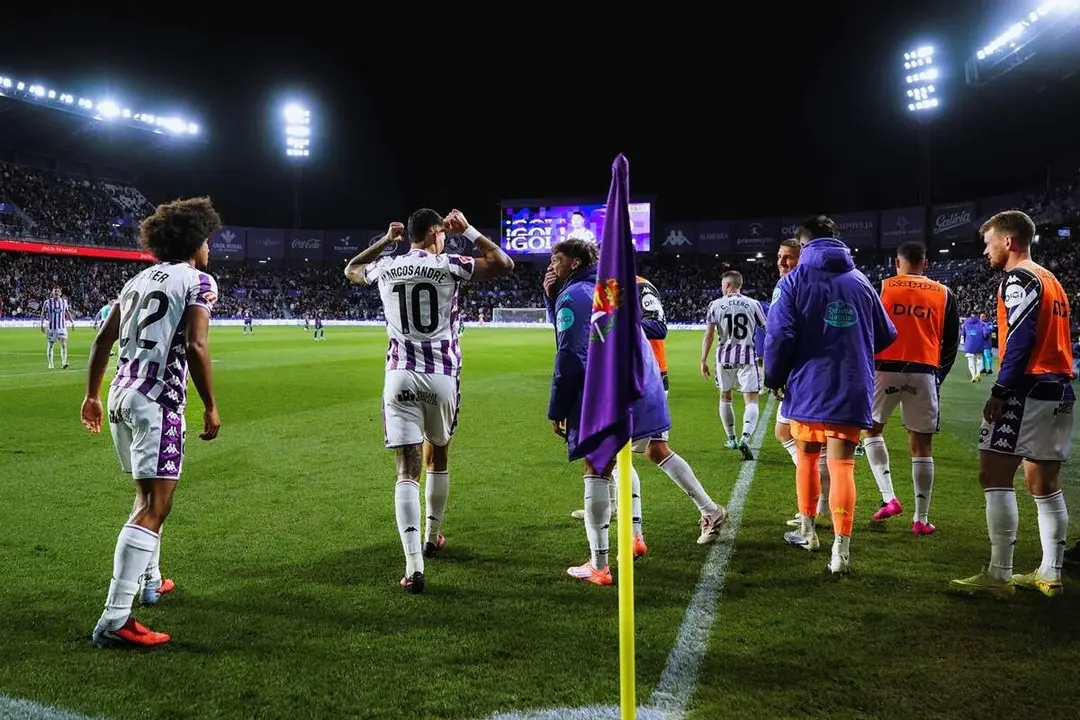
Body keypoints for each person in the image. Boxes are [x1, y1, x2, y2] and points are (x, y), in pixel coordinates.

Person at [344, 208, 514, 594]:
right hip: (441, 376)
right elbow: (503, 264)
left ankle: (413, 566)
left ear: (409, 236)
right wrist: (469, 228)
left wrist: (387, 241)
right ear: (436, 233)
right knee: (439, 452)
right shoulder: (449, 264)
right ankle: (432, 534)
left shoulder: (387, 265)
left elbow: (351, 269)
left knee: (406, 467)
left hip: (399, 375)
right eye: (444, 234)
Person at [81, 197, 223, 648]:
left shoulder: (136, 280)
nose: (210, 249)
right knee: (154, 507)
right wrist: (210, 405)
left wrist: (90, 395)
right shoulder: (199, 281)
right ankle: (115, 619)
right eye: (208, 241)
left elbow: (102, 339)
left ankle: (150, 580)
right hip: (158, 400)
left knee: (145, 496)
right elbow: (197, 346)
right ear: (195, 242)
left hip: (122, 395)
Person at [545, 239, 727, 585]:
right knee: (632, 457)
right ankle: (637, 535)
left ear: (575, 262)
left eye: (557, 259)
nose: (551, 265)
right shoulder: (612, 289)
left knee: (603, 463)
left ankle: (601, 562)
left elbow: (573, 349)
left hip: (623, 383)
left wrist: (559, 406)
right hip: (643, 381)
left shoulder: (627, 287)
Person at [765, 216, 897, 575]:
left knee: (808, 457)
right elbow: (887, 334)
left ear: (804, 245)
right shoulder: (861, 281)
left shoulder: (794, 281)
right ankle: (841, 553)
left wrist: (774, 377)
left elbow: (779, 336)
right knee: (842, 466)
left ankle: (808, 533)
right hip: (852, 385)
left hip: (808, 385)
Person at [952, 211, 1074, 598]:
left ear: (1008, 242)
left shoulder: (1018, 279)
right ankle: (1050, 572)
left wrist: (1002, 390)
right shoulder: (1050, 279)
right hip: (1059, 390)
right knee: (1044, 484)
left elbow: (1021, 337)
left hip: (1027, 389)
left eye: (988, 243)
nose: (985, 251)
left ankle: (999, 574)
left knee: (994, 474)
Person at [861, 242, 960, 534]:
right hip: (924, 372)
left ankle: (889, 498)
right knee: (922, 446)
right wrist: (938, 374)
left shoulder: (881, 287)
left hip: (883, 370)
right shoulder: (944, 293)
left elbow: (866, 332)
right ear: (925, 263)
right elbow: (951, 342)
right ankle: (921, 519)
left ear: (897, 262)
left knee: (871, 431)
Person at [701, 271, 767, 460]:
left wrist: (703, 360)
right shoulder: (753, 304)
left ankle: (731, 438)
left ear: (728, 285)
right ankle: (746, 437)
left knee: (725, 397)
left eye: (723, 285)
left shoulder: (715, 304)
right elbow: (768, 329)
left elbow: (709, 335)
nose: (722, 288)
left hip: (724, 357)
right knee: (751, 399)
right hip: (747, 356)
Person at [40, 286, 75, 370]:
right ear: (52, 293)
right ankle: (51, 364)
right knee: (51, 345)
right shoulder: (47, 302)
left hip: (62, 327)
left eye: (58, 291)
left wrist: (72, 322)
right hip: (52, 328)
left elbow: (67, 312)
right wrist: (41, 324)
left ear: (60, 293)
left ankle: (63, 362)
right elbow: (43, 313)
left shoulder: (64, 302)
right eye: (55, 291)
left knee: (63, 344)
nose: (56, 293)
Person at [962, 311, 985, 381]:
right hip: (979, 344)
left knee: (970, 361)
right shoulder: (981, 323)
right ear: (977, 315)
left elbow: (963, 334)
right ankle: (978, 374)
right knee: (979, 360)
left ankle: (973, 376)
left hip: (969, 345)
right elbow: (986, 333)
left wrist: (964, 342)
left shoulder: (965, 323)